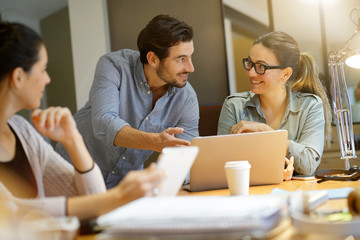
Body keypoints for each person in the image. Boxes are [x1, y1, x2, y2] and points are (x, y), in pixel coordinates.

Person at [0, 21, 165, 220]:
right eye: (43, 69)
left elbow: (91, 198)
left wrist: (73, 139)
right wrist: (119, 196)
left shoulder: (22, 132)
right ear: (18, 77)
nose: (47, 79)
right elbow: (12, 214)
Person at [56, 14, 199, 188]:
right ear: (153, 59)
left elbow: (186, 155)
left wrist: (167, 181)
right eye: (181, 59)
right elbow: (104, 122)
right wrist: (154, 142)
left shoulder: (187, 98)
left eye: (190, 57)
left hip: (123, 185)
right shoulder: (114, 65)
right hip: (70, 173)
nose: (190, 68)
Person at [218, 31, 332, 180]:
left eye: (261, 67)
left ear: (285, 74)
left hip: (295, 194)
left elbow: (309, 164)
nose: (251, 73)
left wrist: (267, 133)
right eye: (250, 63)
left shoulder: (310, 105)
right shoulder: (233, 105)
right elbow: (222, 164)